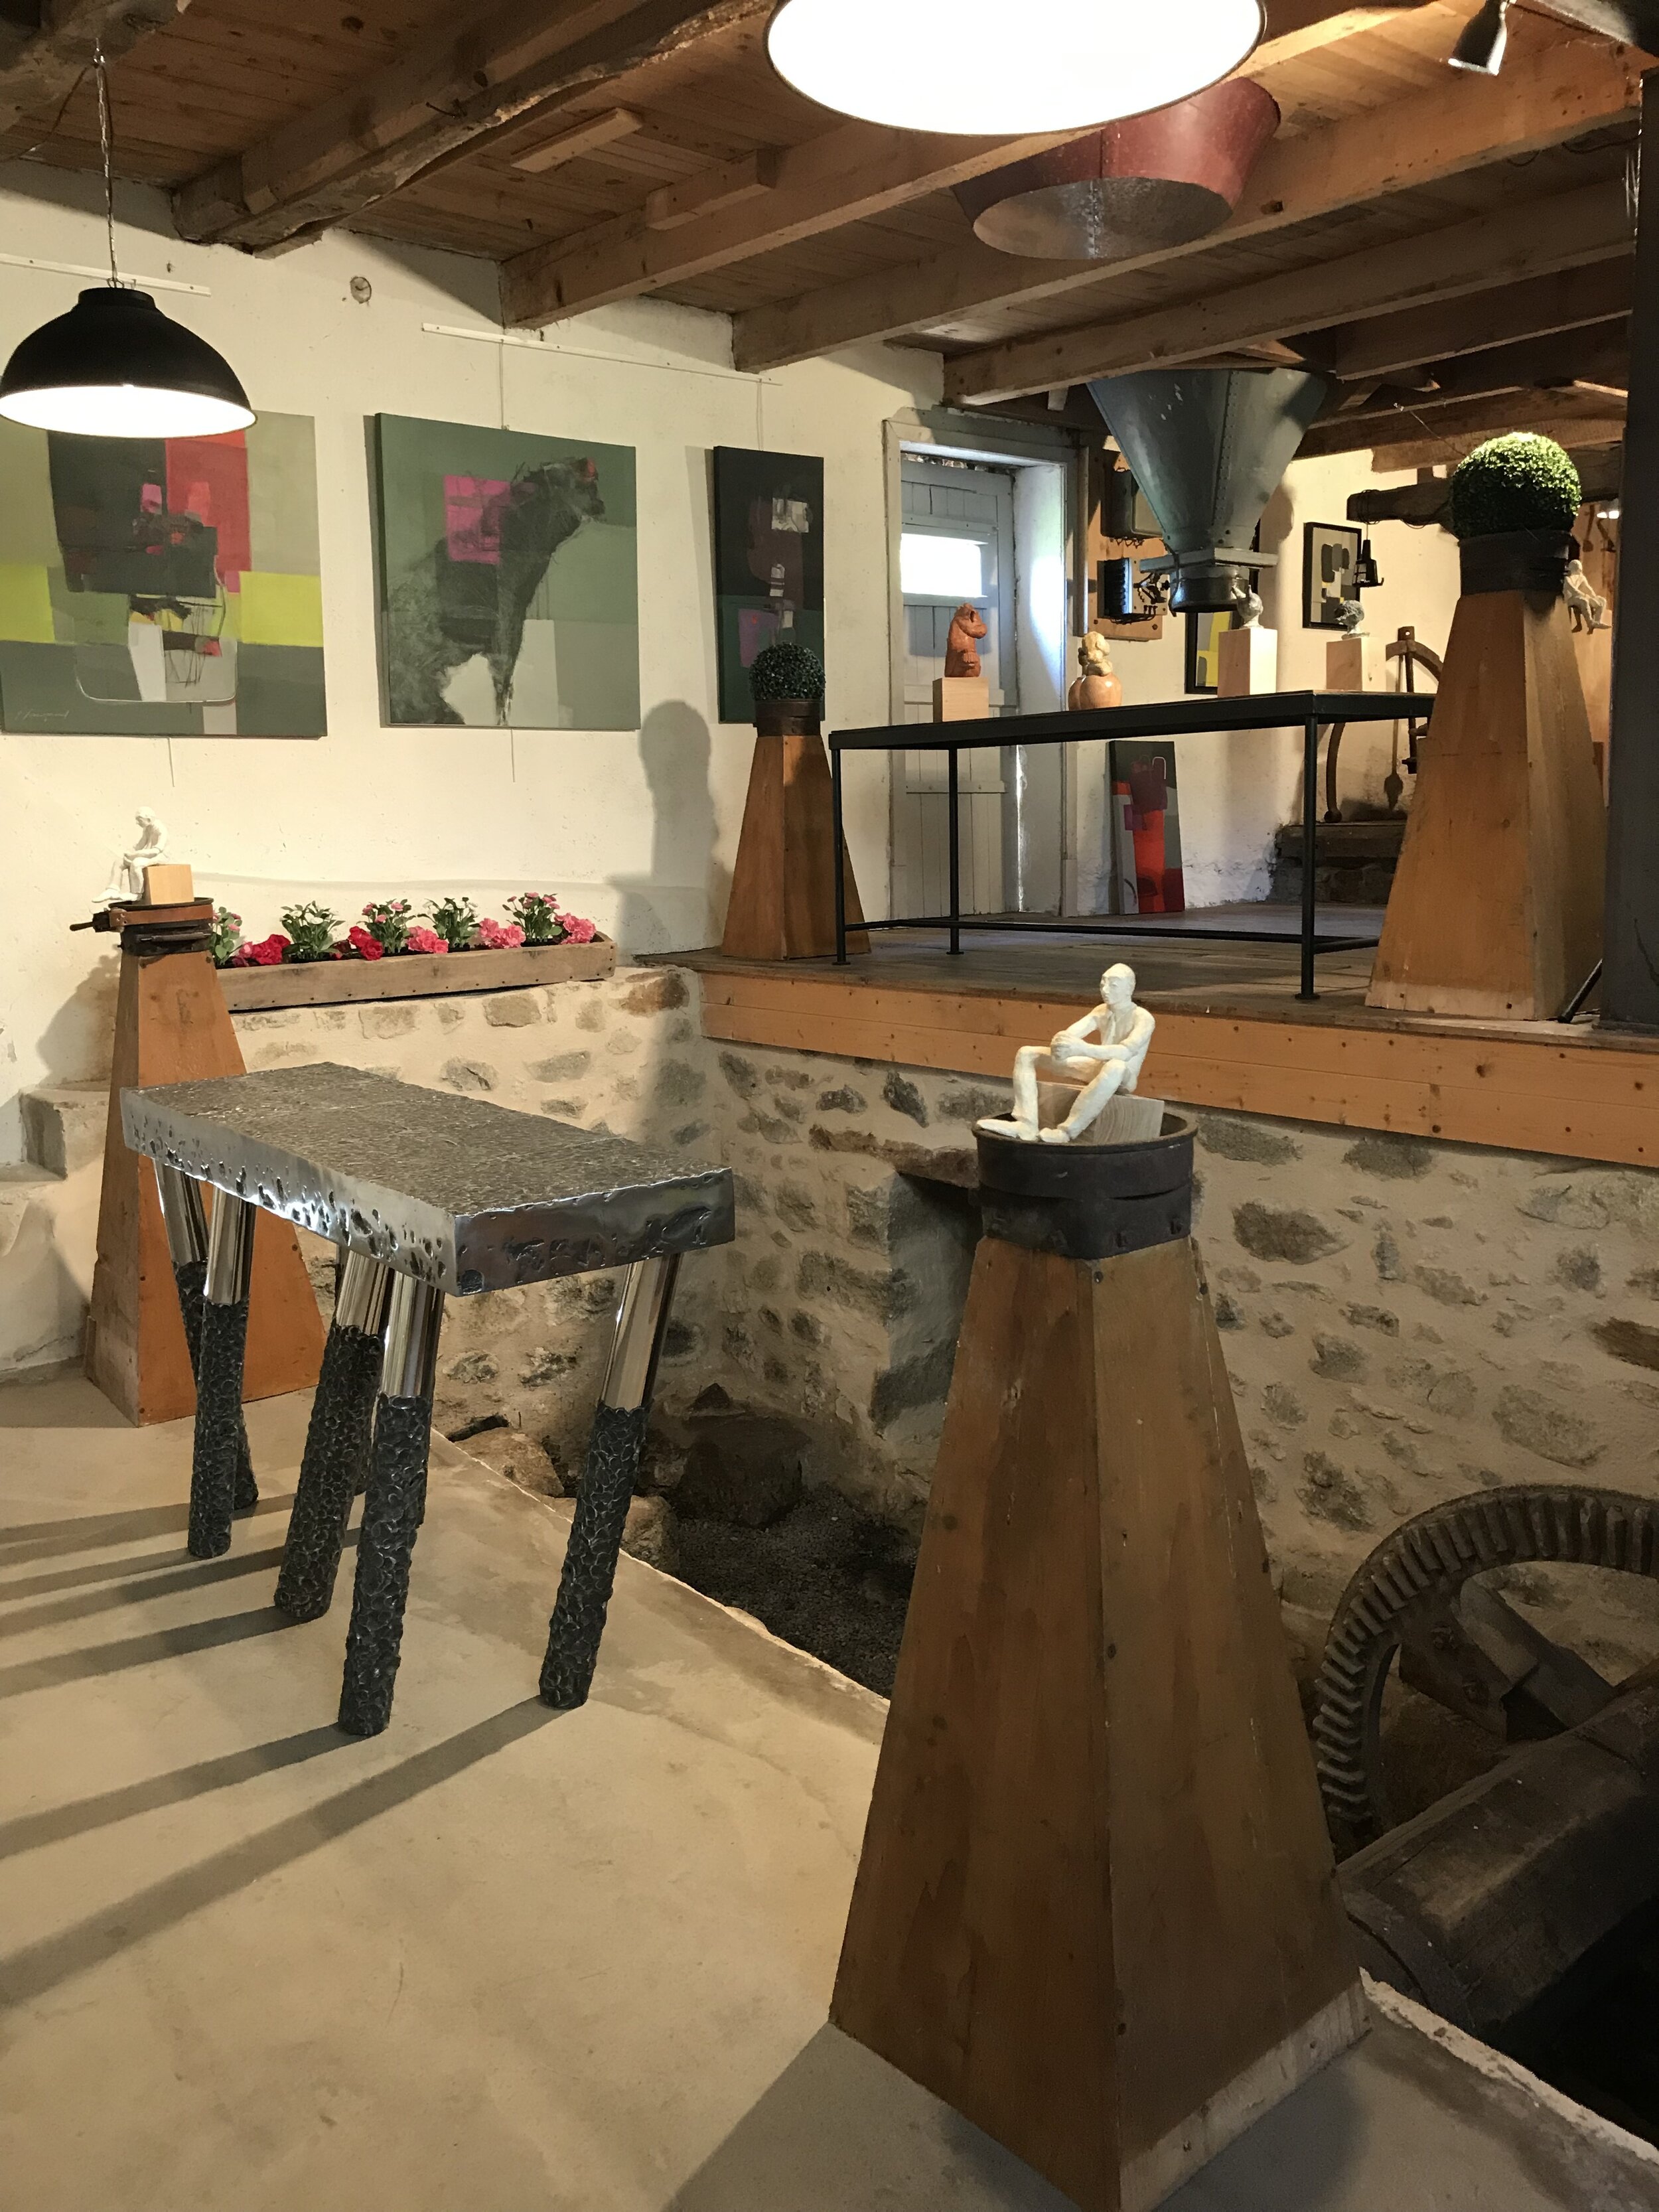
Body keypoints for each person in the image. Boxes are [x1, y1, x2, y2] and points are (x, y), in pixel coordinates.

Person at [980, 962, 1155, 1145]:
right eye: (1103, 984)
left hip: (1124, 1076)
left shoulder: (1143, 1018)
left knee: (1115, 1066)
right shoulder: (1101, 1011)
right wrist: (1061, 1043)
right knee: (1027, 1054)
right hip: (1098, 1066)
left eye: (1113, 985)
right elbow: (1072, 1033)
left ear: (1129, 989)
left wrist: (1082, 1049)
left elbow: (1125, 1052)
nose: (1105, 990)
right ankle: (1027, 1124)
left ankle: (1067, 1131)